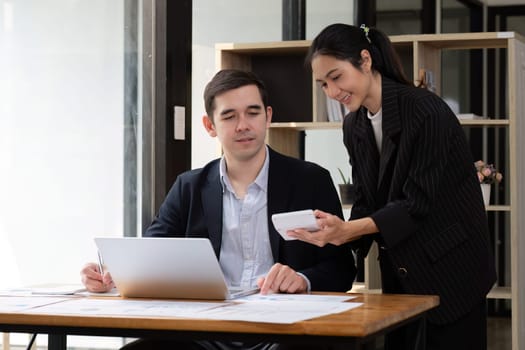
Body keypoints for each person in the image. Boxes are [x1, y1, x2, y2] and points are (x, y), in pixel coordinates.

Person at [81, 69, 356, 350]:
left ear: (268, 116)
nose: (243, 125)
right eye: (229, 116)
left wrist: (302, 279)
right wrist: (110, 276)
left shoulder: (311, 181)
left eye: (252, 113)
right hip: (204, 332)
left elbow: (342, 268)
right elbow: (149, 257)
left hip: (284, 331)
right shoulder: (188, 187)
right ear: (209, 125)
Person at [288, 23, 497, 350]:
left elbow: (417, 202)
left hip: (453, 270)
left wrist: (349, 230)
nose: (331, 91)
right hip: (402, 273)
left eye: (336, 77)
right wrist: (335, 233)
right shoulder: (354, 124)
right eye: (322, 84)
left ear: (366, 61)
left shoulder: (426, 111)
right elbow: (366, 199)